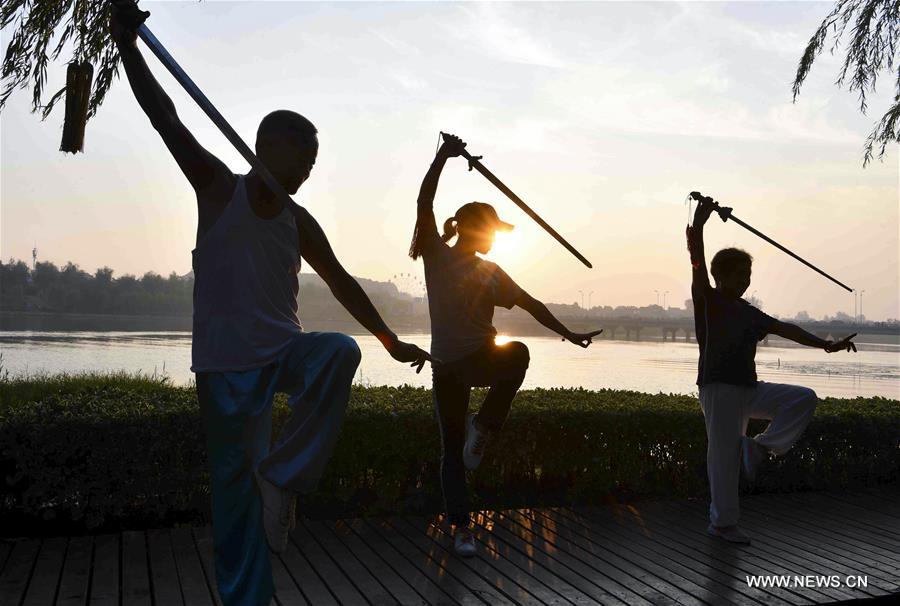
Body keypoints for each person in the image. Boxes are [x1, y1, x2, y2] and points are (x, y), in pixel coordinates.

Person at [110, 2, 435, 605]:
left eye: (313, 164)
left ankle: (282, 478)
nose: (308, 171)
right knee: (235, 512)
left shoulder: (298, 220)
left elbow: (341, 282)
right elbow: (167, 119)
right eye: (300, 159)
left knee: (338, 352)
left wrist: (389, 340)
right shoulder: (217, 187)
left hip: (284, 351)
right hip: (225, 368)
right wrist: (127, 44)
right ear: (267, 149)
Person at [409, 134, 603, 557]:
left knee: (517, 354)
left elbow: (530, 302)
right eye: (492, 230)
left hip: (480, 358)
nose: (495, 238)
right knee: (451, 452)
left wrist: (568, 333)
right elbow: (425, 203)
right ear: (474, 229)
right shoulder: (437, 256)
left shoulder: (491, 271)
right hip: (447, 366)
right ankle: (461, 527)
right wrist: (442, 156)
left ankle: (486, 427)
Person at [686, 193, 857, 545]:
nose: (746, 280)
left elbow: (787, 329)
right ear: (723, 276)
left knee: (802, 399)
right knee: (722, 457)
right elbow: (698, 264)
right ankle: (722, 524)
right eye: (740, 274)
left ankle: (760, 447)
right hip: (718, 388)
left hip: (747, 388)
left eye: (748, 274)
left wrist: (826, 344)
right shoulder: (708, 300)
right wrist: (700, 228)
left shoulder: (751, 313)